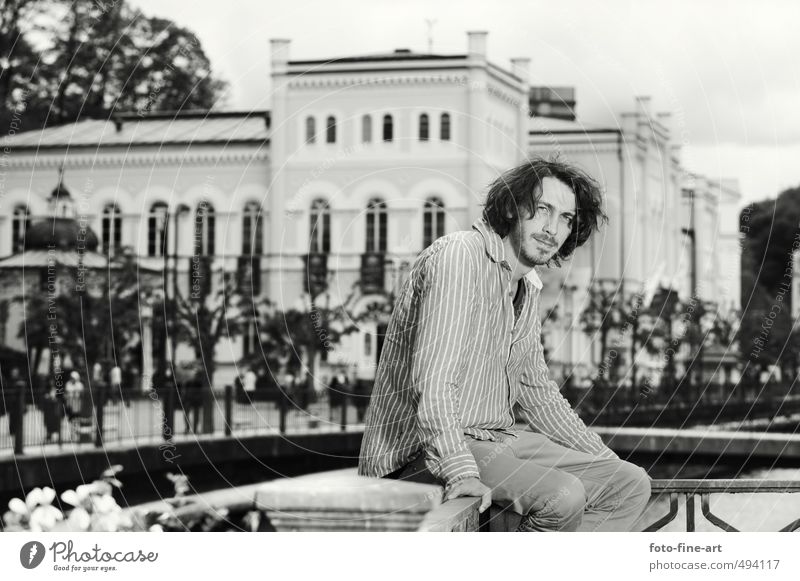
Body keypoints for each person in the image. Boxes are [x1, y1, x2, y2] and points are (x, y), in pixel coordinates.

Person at [358, 158, 651, 532]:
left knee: (629, 485)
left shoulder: (526, 288)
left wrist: (603, 465)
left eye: (565, 218)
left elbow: (540, 395)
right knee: (563, 496)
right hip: (421, 454)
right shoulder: (460, 256)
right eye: (543, 209)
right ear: (512, 207)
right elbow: (432, 383)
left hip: (497, 440)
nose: (552, 228)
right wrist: (458, 470)